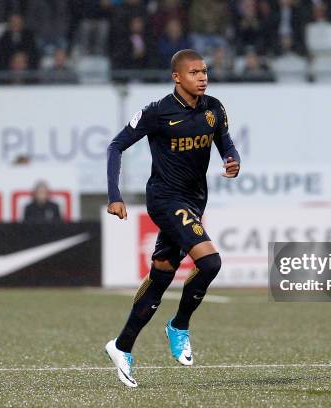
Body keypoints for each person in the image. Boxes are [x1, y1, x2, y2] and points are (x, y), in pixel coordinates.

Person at [104, 49, 240, 388]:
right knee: (209, 263)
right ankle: (179, 325)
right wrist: (114, 195)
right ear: (177, 77)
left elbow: (225, 143)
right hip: (165, 199)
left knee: (162, 274)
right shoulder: (157, 112)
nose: (202, 77)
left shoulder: (214, 108)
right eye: (194, 72)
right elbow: (115, 146)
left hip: (195, 200)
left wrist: (232, 160)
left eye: (204, 71)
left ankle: (121, 347)